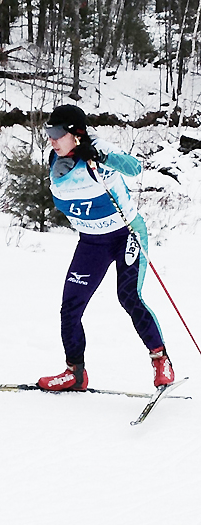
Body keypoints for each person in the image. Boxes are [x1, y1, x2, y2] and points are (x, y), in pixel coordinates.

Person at [37, 104, 175, 392]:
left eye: (56, 133)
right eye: (47, 132)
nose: (51, 139)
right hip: (91, 242)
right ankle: (75, 372)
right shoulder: (57, 160)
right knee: (70, 307)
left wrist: (101, 156)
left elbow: (134, 168)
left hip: (126, 234)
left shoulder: (99, 146)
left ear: (75, 134)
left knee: (128, 298)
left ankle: (160, 359)